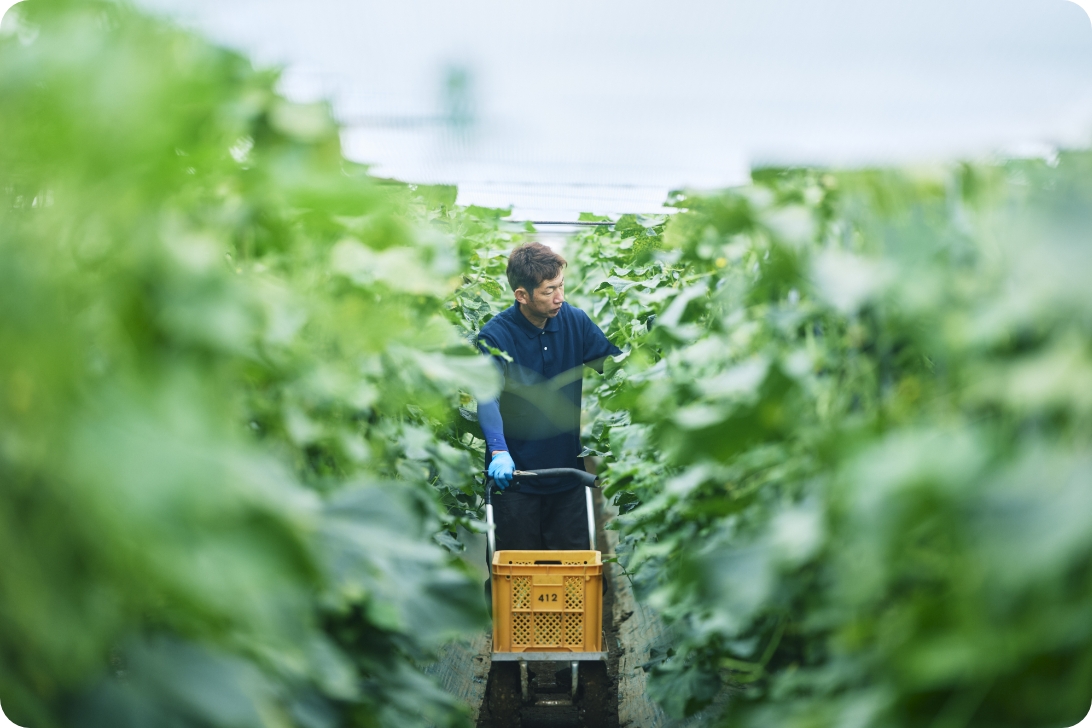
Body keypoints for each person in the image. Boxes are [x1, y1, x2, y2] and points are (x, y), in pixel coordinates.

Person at [477, 242, 622, 551]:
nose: (560, 298)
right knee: (517, 578)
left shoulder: (575, 321)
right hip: (514, 479)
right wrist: (499, 452)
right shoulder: (495, 336)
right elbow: (487, 396)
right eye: (548, 291)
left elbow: (614, 367)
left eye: (561, 286)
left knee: (575, 574)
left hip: (566, 475)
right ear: (522, 295)